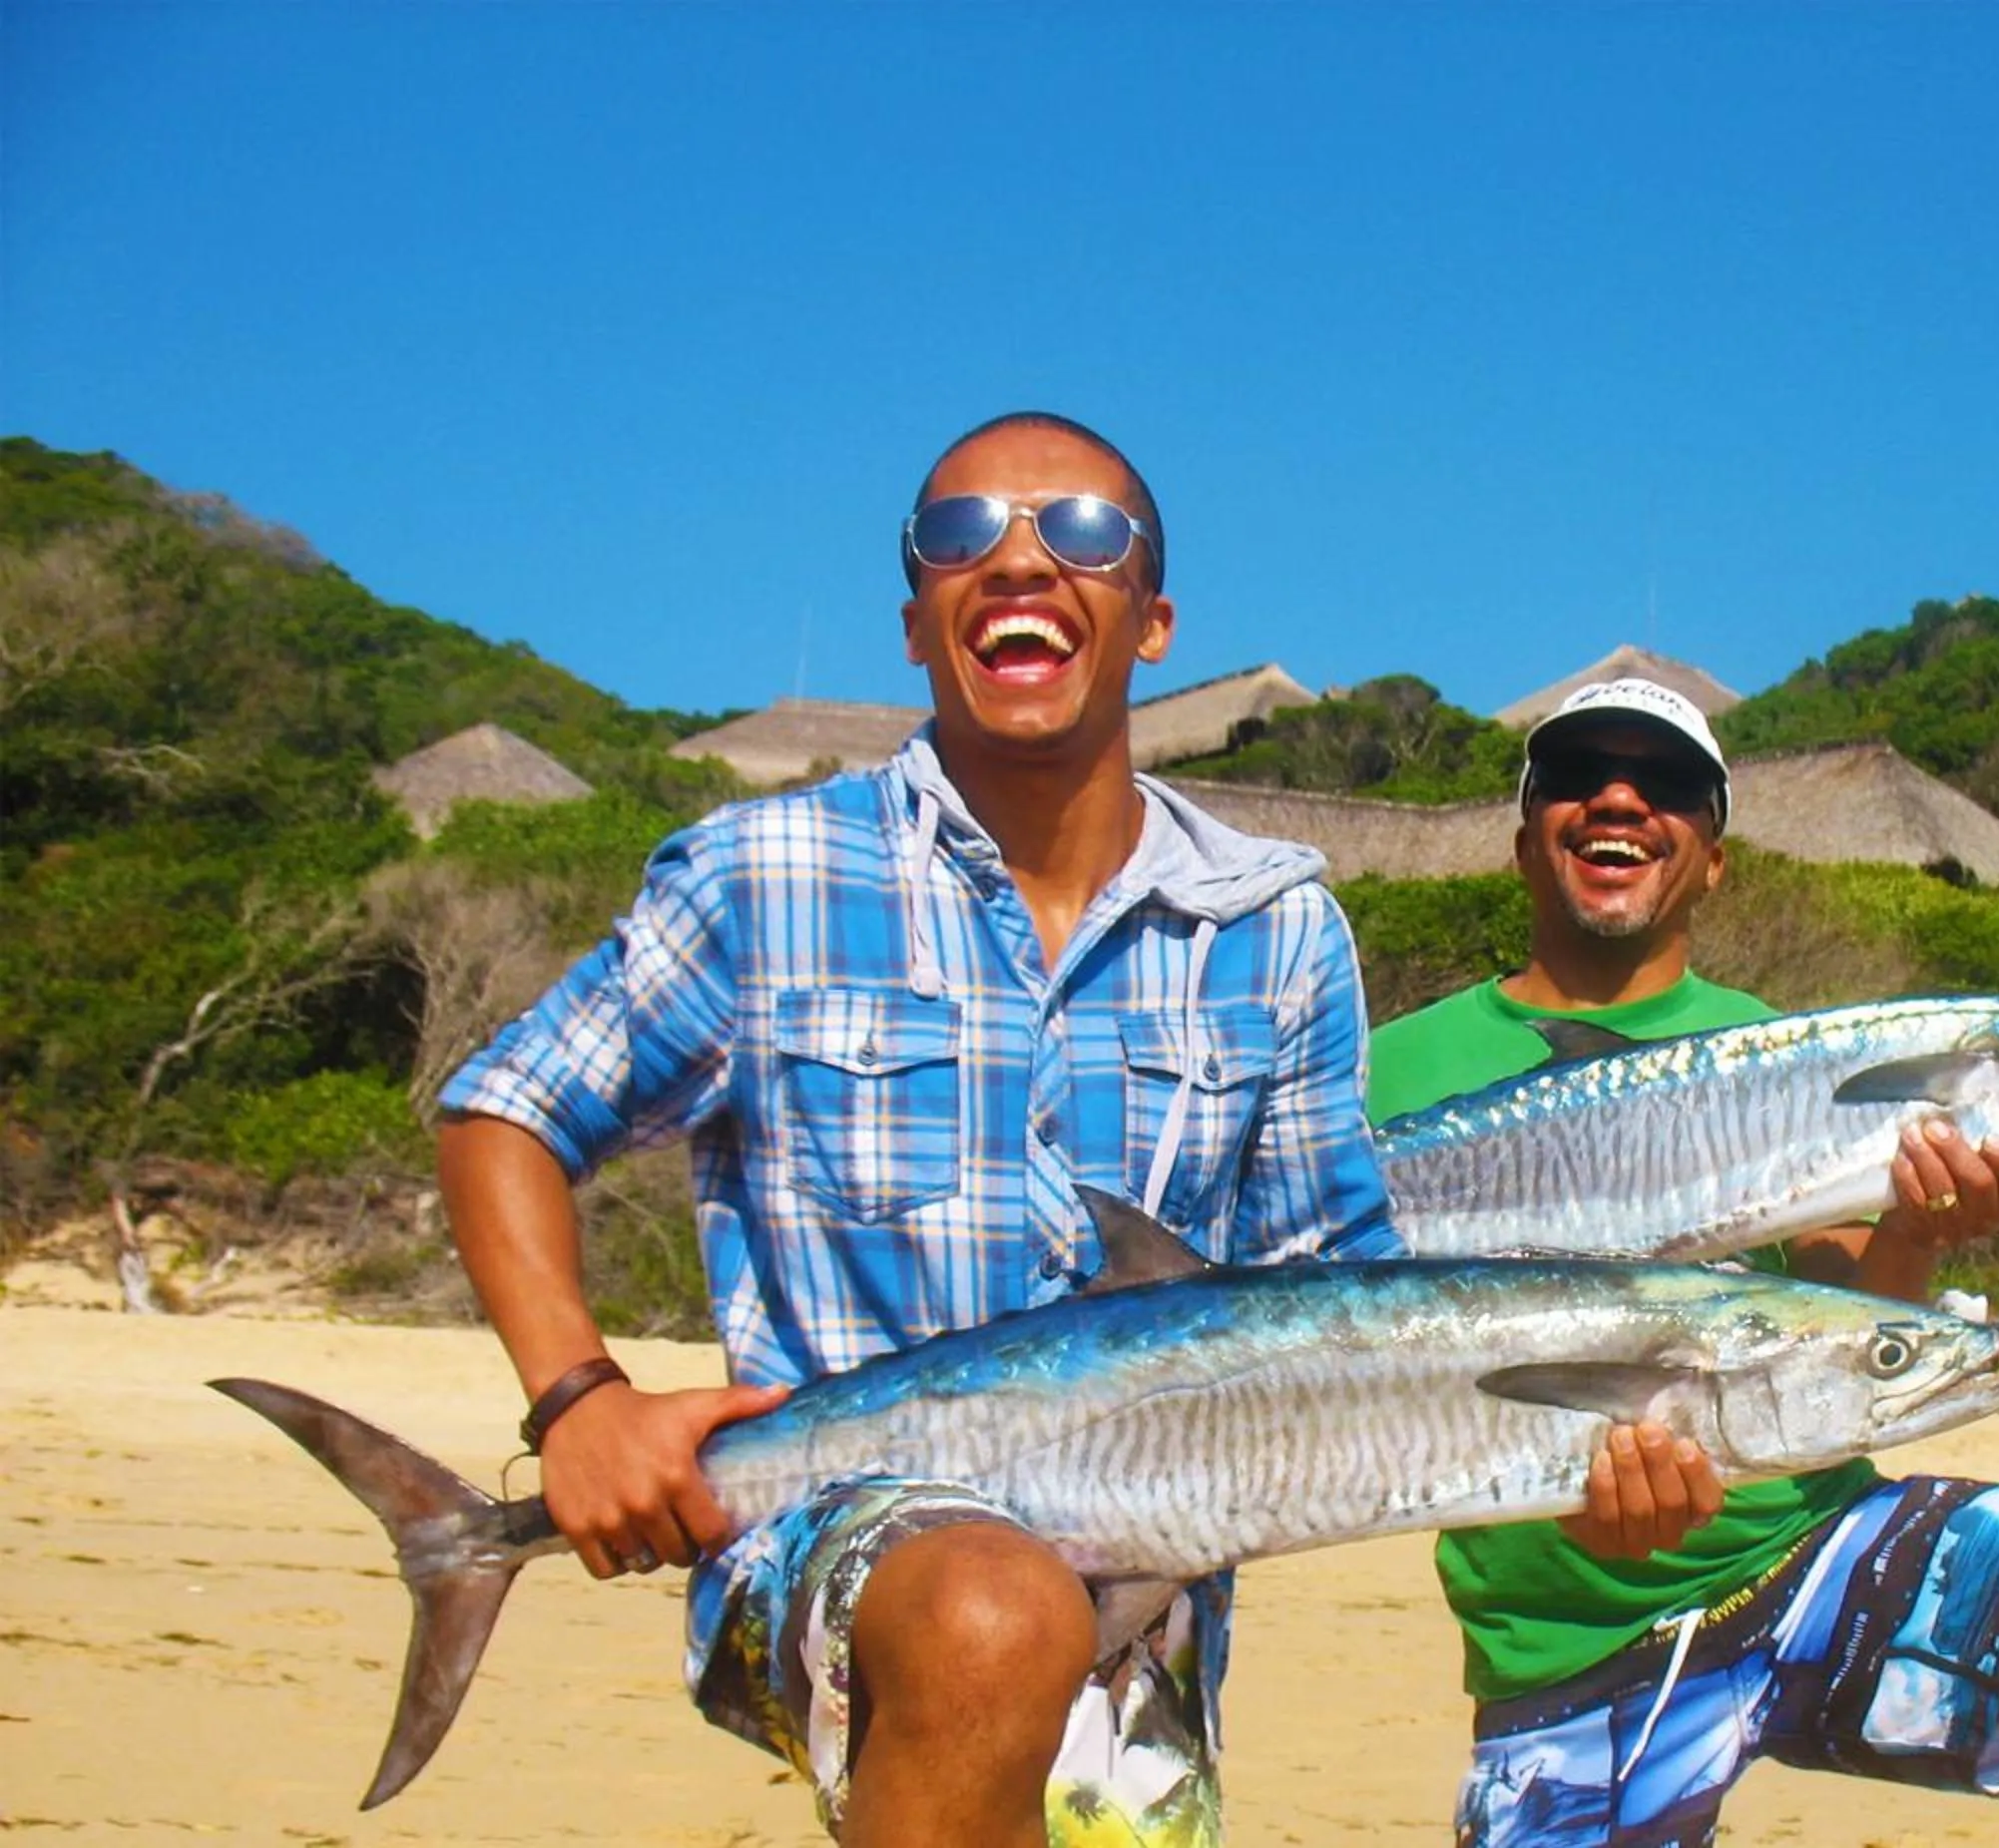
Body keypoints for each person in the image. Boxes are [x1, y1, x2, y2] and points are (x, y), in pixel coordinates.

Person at [436, 410, 1398, 1848]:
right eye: (962, 535)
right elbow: (505, 1112)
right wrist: (578, 1398)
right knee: (990, 1608)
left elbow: (1344, 1284)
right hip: (830, 1537)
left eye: (1081, 532)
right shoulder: (764, 879)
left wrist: (1594, 1461)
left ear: (1153, 621)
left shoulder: (1277, 930)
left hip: (1146, 1597)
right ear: (913, 623)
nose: (1019, 561)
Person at [1366, 680, 1999, 1848]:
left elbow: (1855, 1321)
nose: (1619, 798)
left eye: (1670, 787)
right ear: (1523, 837)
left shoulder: (1773, 1043)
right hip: (1571, 1633)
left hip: (1809, 1551)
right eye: (1577, 774)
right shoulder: (1384, 1076)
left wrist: (1919, 1230)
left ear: (1714, 861)